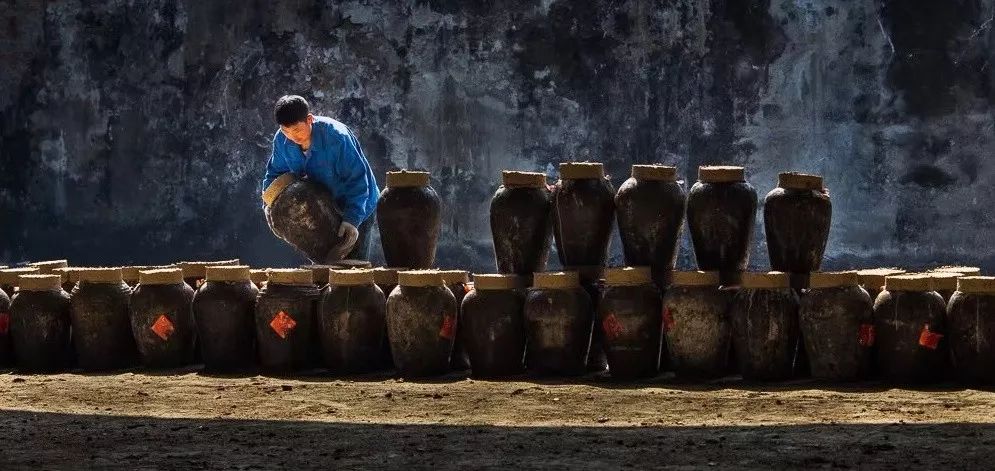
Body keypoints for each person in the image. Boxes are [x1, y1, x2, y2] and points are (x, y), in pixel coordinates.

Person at [262, 95, 379, 260]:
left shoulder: (337, 138)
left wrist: (352, 219)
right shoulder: (282, 141)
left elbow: (358, 181)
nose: (292, 136)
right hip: (322, 206)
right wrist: (268, 206)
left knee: (353, 264)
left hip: (358, 201)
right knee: (324, 263)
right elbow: (275, 175)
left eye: (296, 130)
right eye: (285, 131)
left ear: (309, 119)